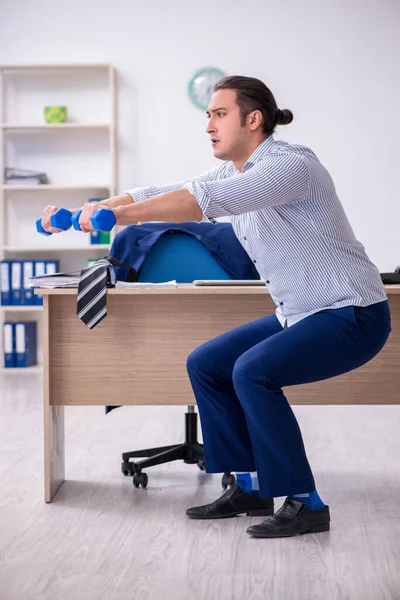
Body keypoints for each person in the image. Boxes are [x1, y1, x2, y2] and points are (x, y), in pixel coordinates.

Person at [41, 76, 391, 539]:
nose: (208, 125)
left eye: (219, 114)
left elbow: (199, 202)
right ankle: (249, 487)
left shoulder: (290, 166)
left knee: (251, 371)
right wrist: (94, 206)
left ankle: (307, 502)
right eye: (207, 115)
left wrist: (117, 217)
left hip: (353, 313)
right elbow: (167, 190)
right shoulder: (235, 172)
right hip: (302, 314)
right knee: (207, 363)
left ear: (253, 119)